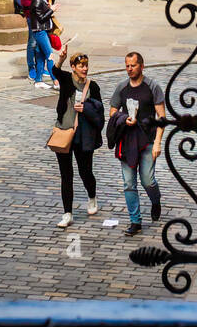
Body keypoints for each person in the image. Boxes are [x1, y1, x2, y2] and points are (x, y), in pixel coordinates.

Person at [108, 53, 166, 237]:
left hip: (147, 141)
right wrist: (124, 119)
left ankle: (155, 200)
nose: (130, 69)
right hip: (128, 141)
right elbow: (112, 112)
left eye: (133, 65)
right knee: (128, 183)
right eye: (127, 66)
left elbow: (162, 117)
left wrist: (157, 142)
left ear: (142, 66)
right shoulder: (122, 88)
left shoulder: (152, 87)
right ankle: (135, 221)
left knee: (148, 180)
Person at [50, 44, 105, 227]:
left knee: (85, 171)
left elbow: (99, 113)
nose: (84, 68)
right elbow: (54, 71)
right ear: (73, 67)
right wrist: (61, 59)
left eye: (86, 65)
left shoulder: (93, 87)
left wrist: (86, 108)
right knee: (66, 175)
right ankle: (67, 214)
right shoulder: (66, 80)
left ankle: (92, 197)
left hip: (83, 135)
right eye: (81, 65)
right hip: (65, 132)